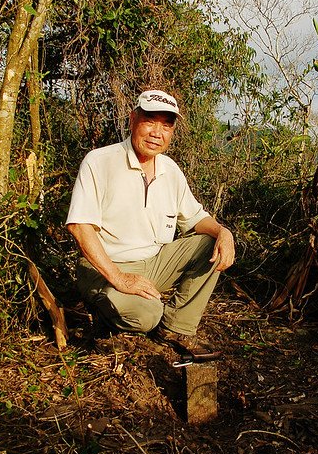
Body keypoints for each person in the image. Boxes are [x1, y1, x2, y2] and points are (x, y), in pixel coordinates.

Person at [65, 89, 235, 358]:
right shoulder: (100, 162)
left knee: (211, 243)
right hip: (106, 267)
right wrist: (119, 278)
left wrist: (224, 232)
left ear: (172, 132)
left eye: (166, 125)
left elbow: (196, 218)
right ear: (133, 120)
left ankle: (176, 327)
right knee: (148, 315)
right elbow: (79, 227)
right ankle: (105, 314)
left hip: (153, 265)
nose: (157, 132)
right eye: (150, 121)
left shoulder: (170, 170)